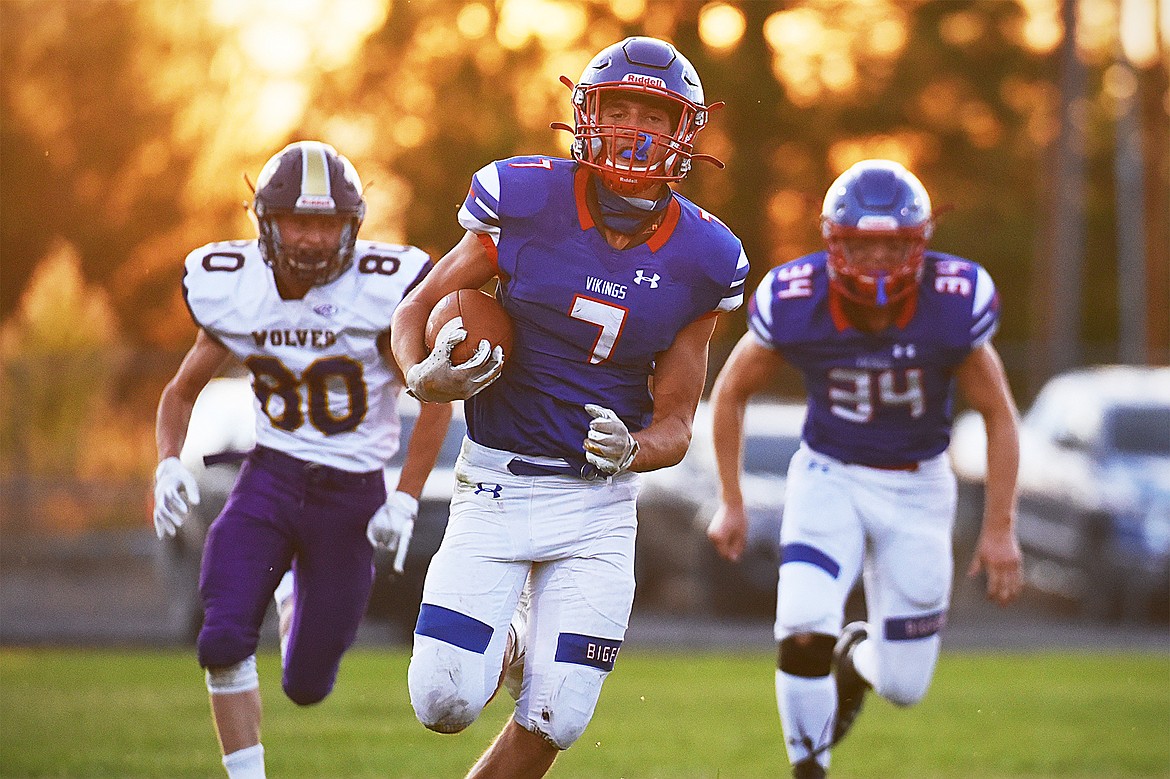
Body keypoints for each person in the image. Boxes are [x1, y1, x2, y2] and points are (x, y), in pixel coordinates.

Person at [390, 36, 749, 778]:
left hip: (597, 507)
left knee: (560, 714)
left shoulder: (707, 257)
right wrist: (418, 375)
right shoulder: (524, 199)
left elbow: (679, 421)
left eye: (652, 113)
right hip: (494, 483)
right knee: (442, 702)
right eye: (617, 109)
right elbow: (416, 307)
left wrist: (635, 449)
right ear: (585, 115)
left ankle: (526, 654)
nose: (632, 130)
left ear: (684, 131)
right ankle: (515, 641)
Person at [705, 159, 1023, 778]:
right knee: (800, 623)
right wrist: (731, 499)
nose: (877, 261)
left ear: (919, 243)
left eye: (892, 246)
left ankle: (853, 660)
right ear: (833, 241)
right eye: (861, 245)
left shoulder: (954, 301)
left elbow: (1000, 415)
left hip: (919, 487)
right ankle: (809, 766)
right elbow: (732, 390)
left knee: (905, 686)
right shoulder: (797, 298)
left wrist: (1000, 527)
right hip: (832, 476)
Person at [151, 140, 452, 779]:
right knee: (222, 637)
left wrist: (404, 495)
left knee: (307, 684)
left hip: (352, 496)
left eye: (326, 223)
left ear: (353, 226)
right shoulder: (238, 287)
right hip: (271, 479)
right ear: (265, 221)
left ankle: (292, 592)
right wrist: (169, 462)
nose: (312, 239)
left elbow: (432, 398)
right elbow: (180, 391)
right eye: (298, 221)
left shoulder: (386, 292)